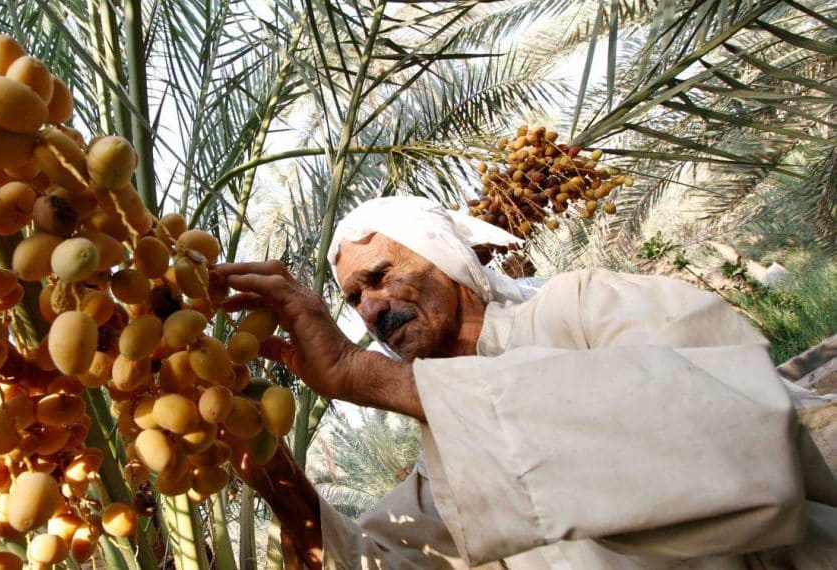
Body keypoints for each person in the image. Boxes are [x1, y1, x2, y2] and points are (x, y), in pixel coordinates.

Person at [212, 196, 837, 569]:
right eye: (353, 298)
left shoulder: (581, 307)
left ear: (448, 259)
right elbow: (384, 561)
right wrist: (270, 470)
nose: (371, 309)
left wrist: (363, 376)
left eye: (380, 276)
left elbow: (731, 426)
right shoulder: (446, 461)